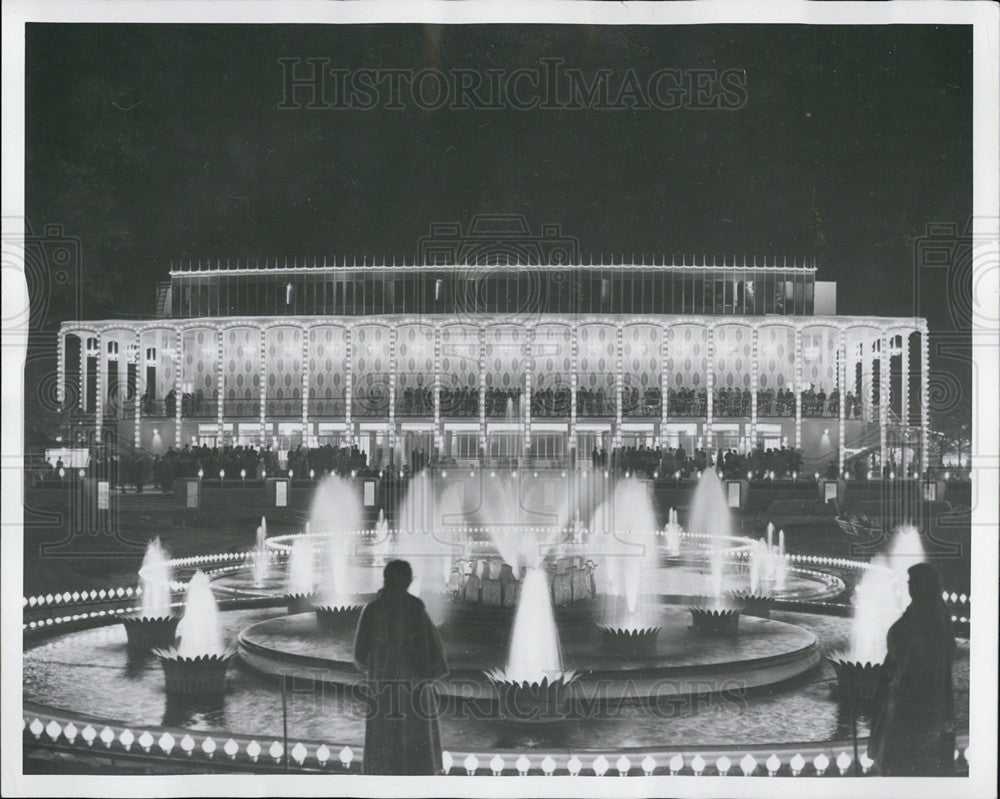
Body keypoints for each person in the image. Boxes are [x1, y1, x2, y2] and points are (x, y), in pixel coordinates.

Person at [353, 559, 448, 775]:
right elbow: (436, 656)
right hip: (415, 694)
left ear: (385, 580)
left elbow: (359, 656)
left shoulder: (371, 610)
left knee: (383, 745)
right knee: (416, 752)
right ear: (408, 581)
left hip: (383, 693)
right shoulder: (416, 610)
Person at [868, 562, 956, 776]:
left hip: (911, 706)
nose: (909, 586)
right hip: (913, 703)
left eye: (913, 582)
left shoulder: (927, 619)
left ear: (923, 585)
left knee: (903, 763)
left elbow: (917, 667)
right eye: (909, 582)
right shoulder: (928, 614)